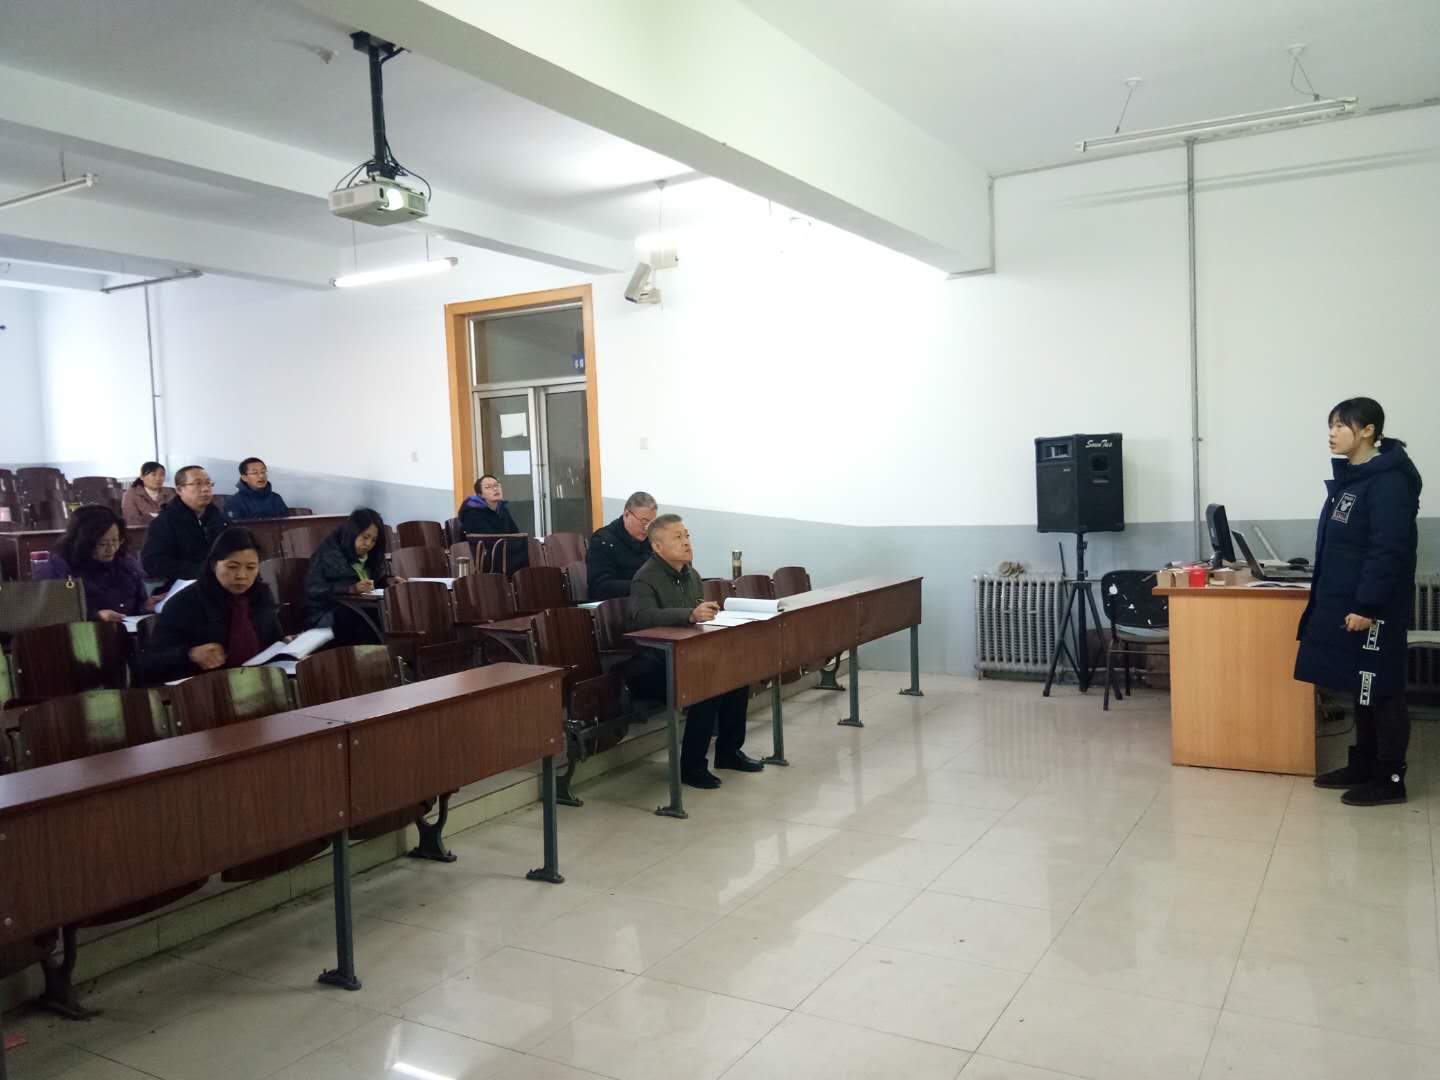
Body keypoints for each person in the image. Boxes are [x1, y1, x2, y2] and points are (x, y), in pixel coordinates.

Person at [1299, 397, 1422, 806]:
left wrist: (1368, 605)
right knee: (1361, 685)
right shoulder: (1356, 477)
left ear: (1368, 430)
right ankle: (1364, 764)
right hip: (1352, 601)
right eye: (1331, 425)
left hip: (1376, 609)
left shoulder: (1389, 481)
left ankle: (1390, 778)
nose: (1332, 433)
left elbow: (1388, 549)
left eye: (1340, 425)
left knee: (1382, 690)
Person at [627, 513, 765, 788]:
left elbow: (696, 614)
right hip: (655, 662)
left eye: (687, 535)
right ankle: (692, 767)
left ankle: (728, 752)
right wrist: (689, 615)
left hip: (689, 655)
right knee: (705, 686)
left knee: (736, 677)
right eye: (678, 537)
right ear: (657, 546)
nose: (686, 542)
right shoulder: (645, 578)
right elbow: (641, 618)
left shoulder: (691, 574)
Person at [141, 527, 283, 684]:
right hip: (205, 688)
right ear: (214, 564)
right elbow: (150, 663)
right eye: (232, 567)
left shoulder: (261, 595)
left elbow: (273, 641)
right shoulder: (185, 603)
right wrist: (190, 654)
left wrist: (287, 645)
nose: (242, 575)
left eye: (250, 568)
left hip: (259, 682)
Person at [35, 504, 152, 622]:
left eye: (115, 540)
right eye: (102, 544)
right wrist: (95, 617)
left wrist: (146, 606)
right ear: (84, 542)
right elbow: (51, 615)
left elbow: (136, 605)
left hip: (127, 630)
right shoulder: (58, 569)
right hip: (84, 632)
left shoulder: (126, 564)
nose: (111, 549)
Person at [304, 508, 406, 628]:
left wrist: (388, 582)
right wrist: (349, 589)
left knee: (394, 611)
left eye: (373, 540)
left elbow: (374, 584)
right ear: (353, 533)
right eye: (365, 537)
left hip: (361, 608)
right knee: (370, 618)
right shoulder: (328, 553)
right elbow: (313, 589)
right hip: (326, 613)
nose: (368, 544)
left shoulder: (371, 556)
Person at [141, 465, 226, 589]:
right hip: (182, 586)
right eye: (197, 484)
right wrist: (203, 571)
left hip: (221, 582)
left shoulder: (219, 518)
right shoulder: (165, 522)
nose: (205, 489)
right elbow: (153, 563)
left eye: (208, 483)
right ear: (180, 490)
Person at [588, 491, 658, 600]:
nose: (647, 528)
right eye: (644, 522)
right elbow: (599, 587)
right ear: (626, 515)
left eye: (652, 523)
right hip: (616, 605)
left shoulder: (651, 541)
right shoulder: (603, 540)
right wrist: (643, 586)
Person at [457, 475, 528, 572]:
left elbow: (515, 533)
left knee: (533, 552)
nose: (495, 489)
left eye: (496, 485)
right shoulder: (472, 513)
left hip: (504, 552)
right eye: (488, 487)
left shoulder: (502, 509)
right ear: (480, 495)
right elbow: (487, 539)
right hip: (486, 558)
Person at [226, 457, 290, 521]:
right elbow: (235, 525)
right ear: (244, 478)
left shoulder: (275, 498)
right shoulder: (235, 501)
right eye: (255, 473)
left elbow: (287, 522)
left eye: (263, 472)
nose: (261, 476)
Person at [121, 462, 175, 527]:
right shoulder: (131, 494)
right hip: (143, 531)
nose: (158, 478)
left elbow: (179, 514)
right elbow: (131, 519)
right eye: (153, 475)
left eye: (162, 475)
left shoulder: (171, 492)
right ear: (142, 477)